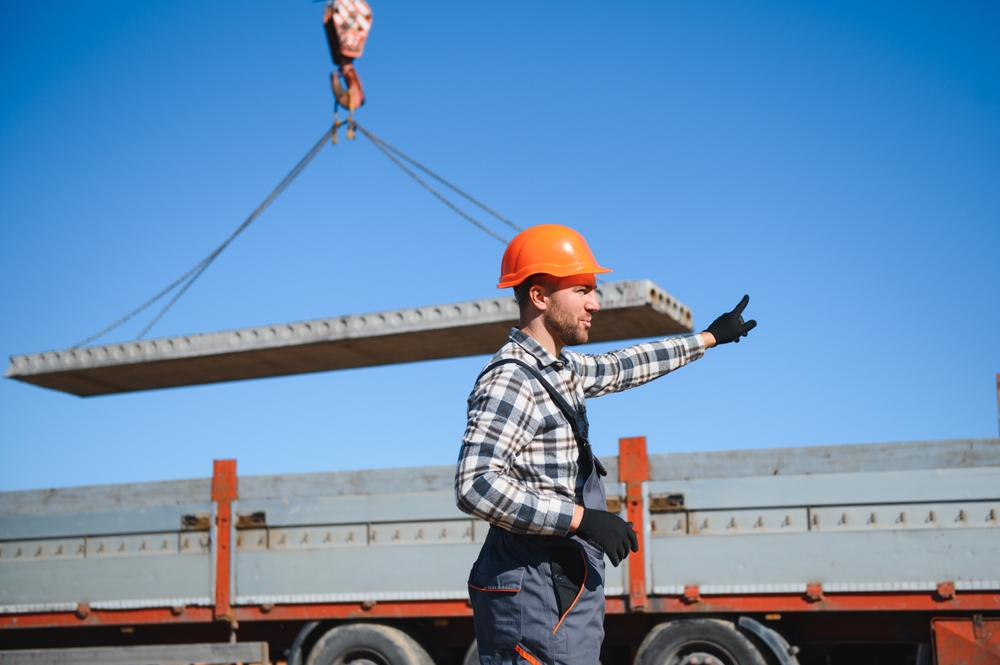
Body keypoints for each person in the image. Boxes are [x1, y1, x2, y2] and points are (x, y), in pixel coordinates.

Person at [455, 224, 756, 665]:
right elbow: (476, 485)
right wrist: (581, 519)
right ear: (539, 296)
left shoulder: (560, 369)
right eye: (582, 290)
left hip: (557, 576)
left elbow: (622, 366)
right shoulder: (512, 378)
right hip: (533, 576)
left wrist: (708, 338)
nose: (595, 303)